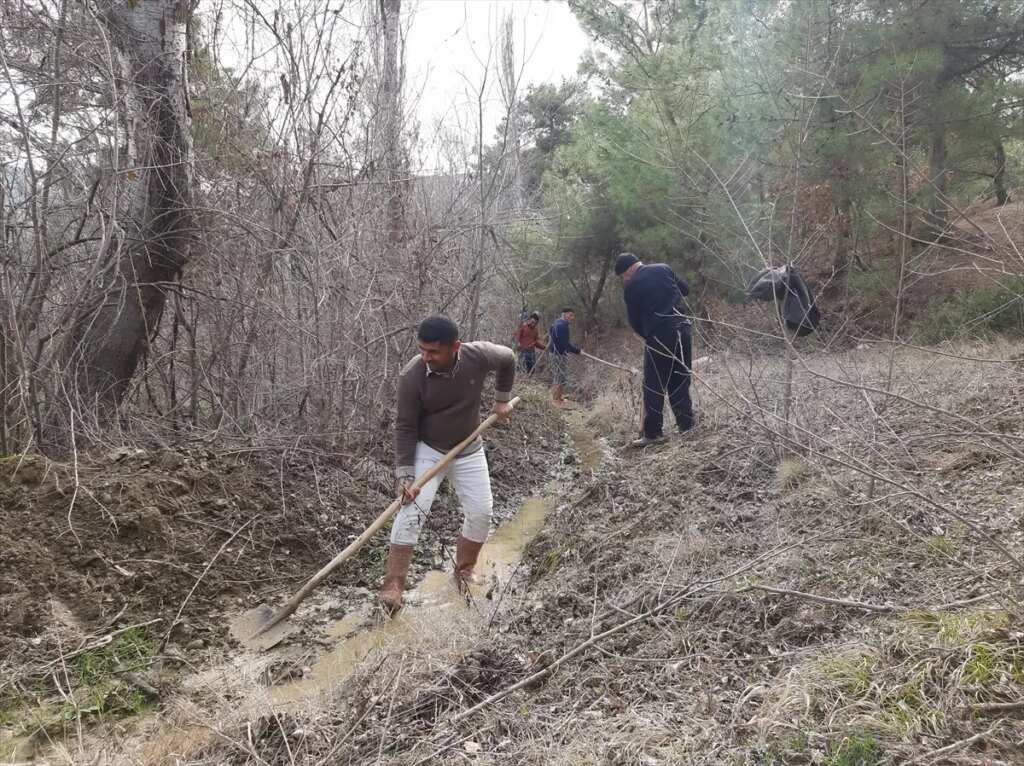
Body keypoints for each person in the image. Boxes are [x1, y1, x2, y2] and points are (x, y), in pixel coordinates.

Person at [382, 315, 516, 612]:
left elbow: (508, 359)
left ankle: (464, 570)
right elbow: (404, 428)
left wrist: (501, 399)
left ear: (455, 346)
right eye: (422, 350)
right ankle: (393, 586)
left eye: (433, 352)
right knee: (411, 510)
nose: (425, 357)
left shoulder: (478, 355)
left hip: (469, 447)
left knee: (482, 512)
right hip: (428, 450)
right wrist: (405, 476)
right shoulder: (412, 376)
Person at [614, 253, 694, 447]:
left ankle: (653, 434)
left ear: (628, 269)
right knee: (679, 380)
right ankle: (687, 426)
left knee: (653, 384)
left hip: (660, 334)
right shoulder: (664, 268)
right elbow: (685, 289)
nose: (624, 280)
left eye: (623, 276)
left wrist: (649, 335)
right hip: (683, 329)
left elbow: (634, 321)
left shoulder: (632, 286)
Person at [548, 307, 581, 406]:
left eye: (573, 315)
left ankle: (558, 397)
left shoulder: (557, 322)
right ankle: (557, 400)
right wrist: (577, 351)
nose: (572, 317)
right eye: (570, 315)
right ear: (564, 314)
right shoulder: (561, 325)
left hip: (556, 352)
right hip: (557, 354)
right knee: (560, 376)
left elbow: (551, 332)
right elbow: (565, 344)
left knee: (560, 375)